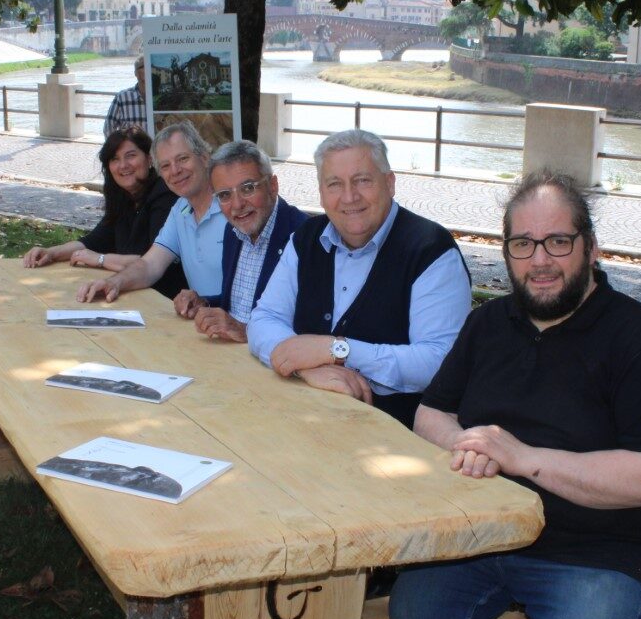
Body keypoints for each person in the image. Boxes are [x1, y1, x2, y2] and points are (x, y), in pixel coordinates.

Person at [389, 171, 641, 619]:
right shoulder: (488, 323)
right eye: (523, 244)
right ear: (506, 251)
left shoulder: (639, 337)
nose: (540, 260)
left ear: (591, 248)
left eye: (558, 241)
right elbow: (430, 413)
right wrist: (465, 442)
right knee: (418, 616)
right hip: (486, 535)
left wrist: (522, 457)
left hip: (599, 553)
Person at [247, 128, 471, 428]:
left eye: (362, 180)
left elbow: (439, 361)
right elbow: (264, 319)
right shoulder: (306, 238)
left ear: (389, 183)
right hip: (301, 416)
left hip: (395, 433)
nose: (349, 197)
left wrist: (338, 350)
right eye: (334, 184)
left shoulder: (431, 250)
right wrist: (307, 367)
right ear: (321, 193)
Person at [22, 126, 186, 299]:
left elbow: (151, 262)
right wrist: (51, 253)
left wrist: (101, 259)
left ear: (149, 158)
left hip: (165, 298)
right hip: (134, 293)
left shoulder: (164, 195)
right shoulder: (124, 198)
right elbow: (93, 241)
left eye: (131, 156)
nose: (123, 165)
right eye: (115, 159)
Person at [77, 121, 223, 304]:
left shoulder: (231, 207)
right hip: (203, 316)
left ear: (204, 158)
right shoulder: (180, 209)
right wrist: (113, 283)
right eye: (165, 166)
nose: (175, 171)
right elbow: (150, 265)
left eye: (183, 159)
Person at [175, 140, 307, 342]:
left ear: (273, 186)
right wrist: (204, 303)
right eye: (225, 195)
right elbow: (239, 306)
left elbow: (311, 328)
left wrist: (246, 331)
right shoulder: (233, 231)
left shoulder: (304, 238)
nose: (237, 205)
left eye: (248, 188)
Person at [103, 55, 147, 135]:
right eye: (142, 67)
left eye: (149, 66)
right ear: (135, 73)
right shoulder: (122, 97)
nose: (146, 70)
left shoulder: (164, 97)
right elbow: (108, 128)